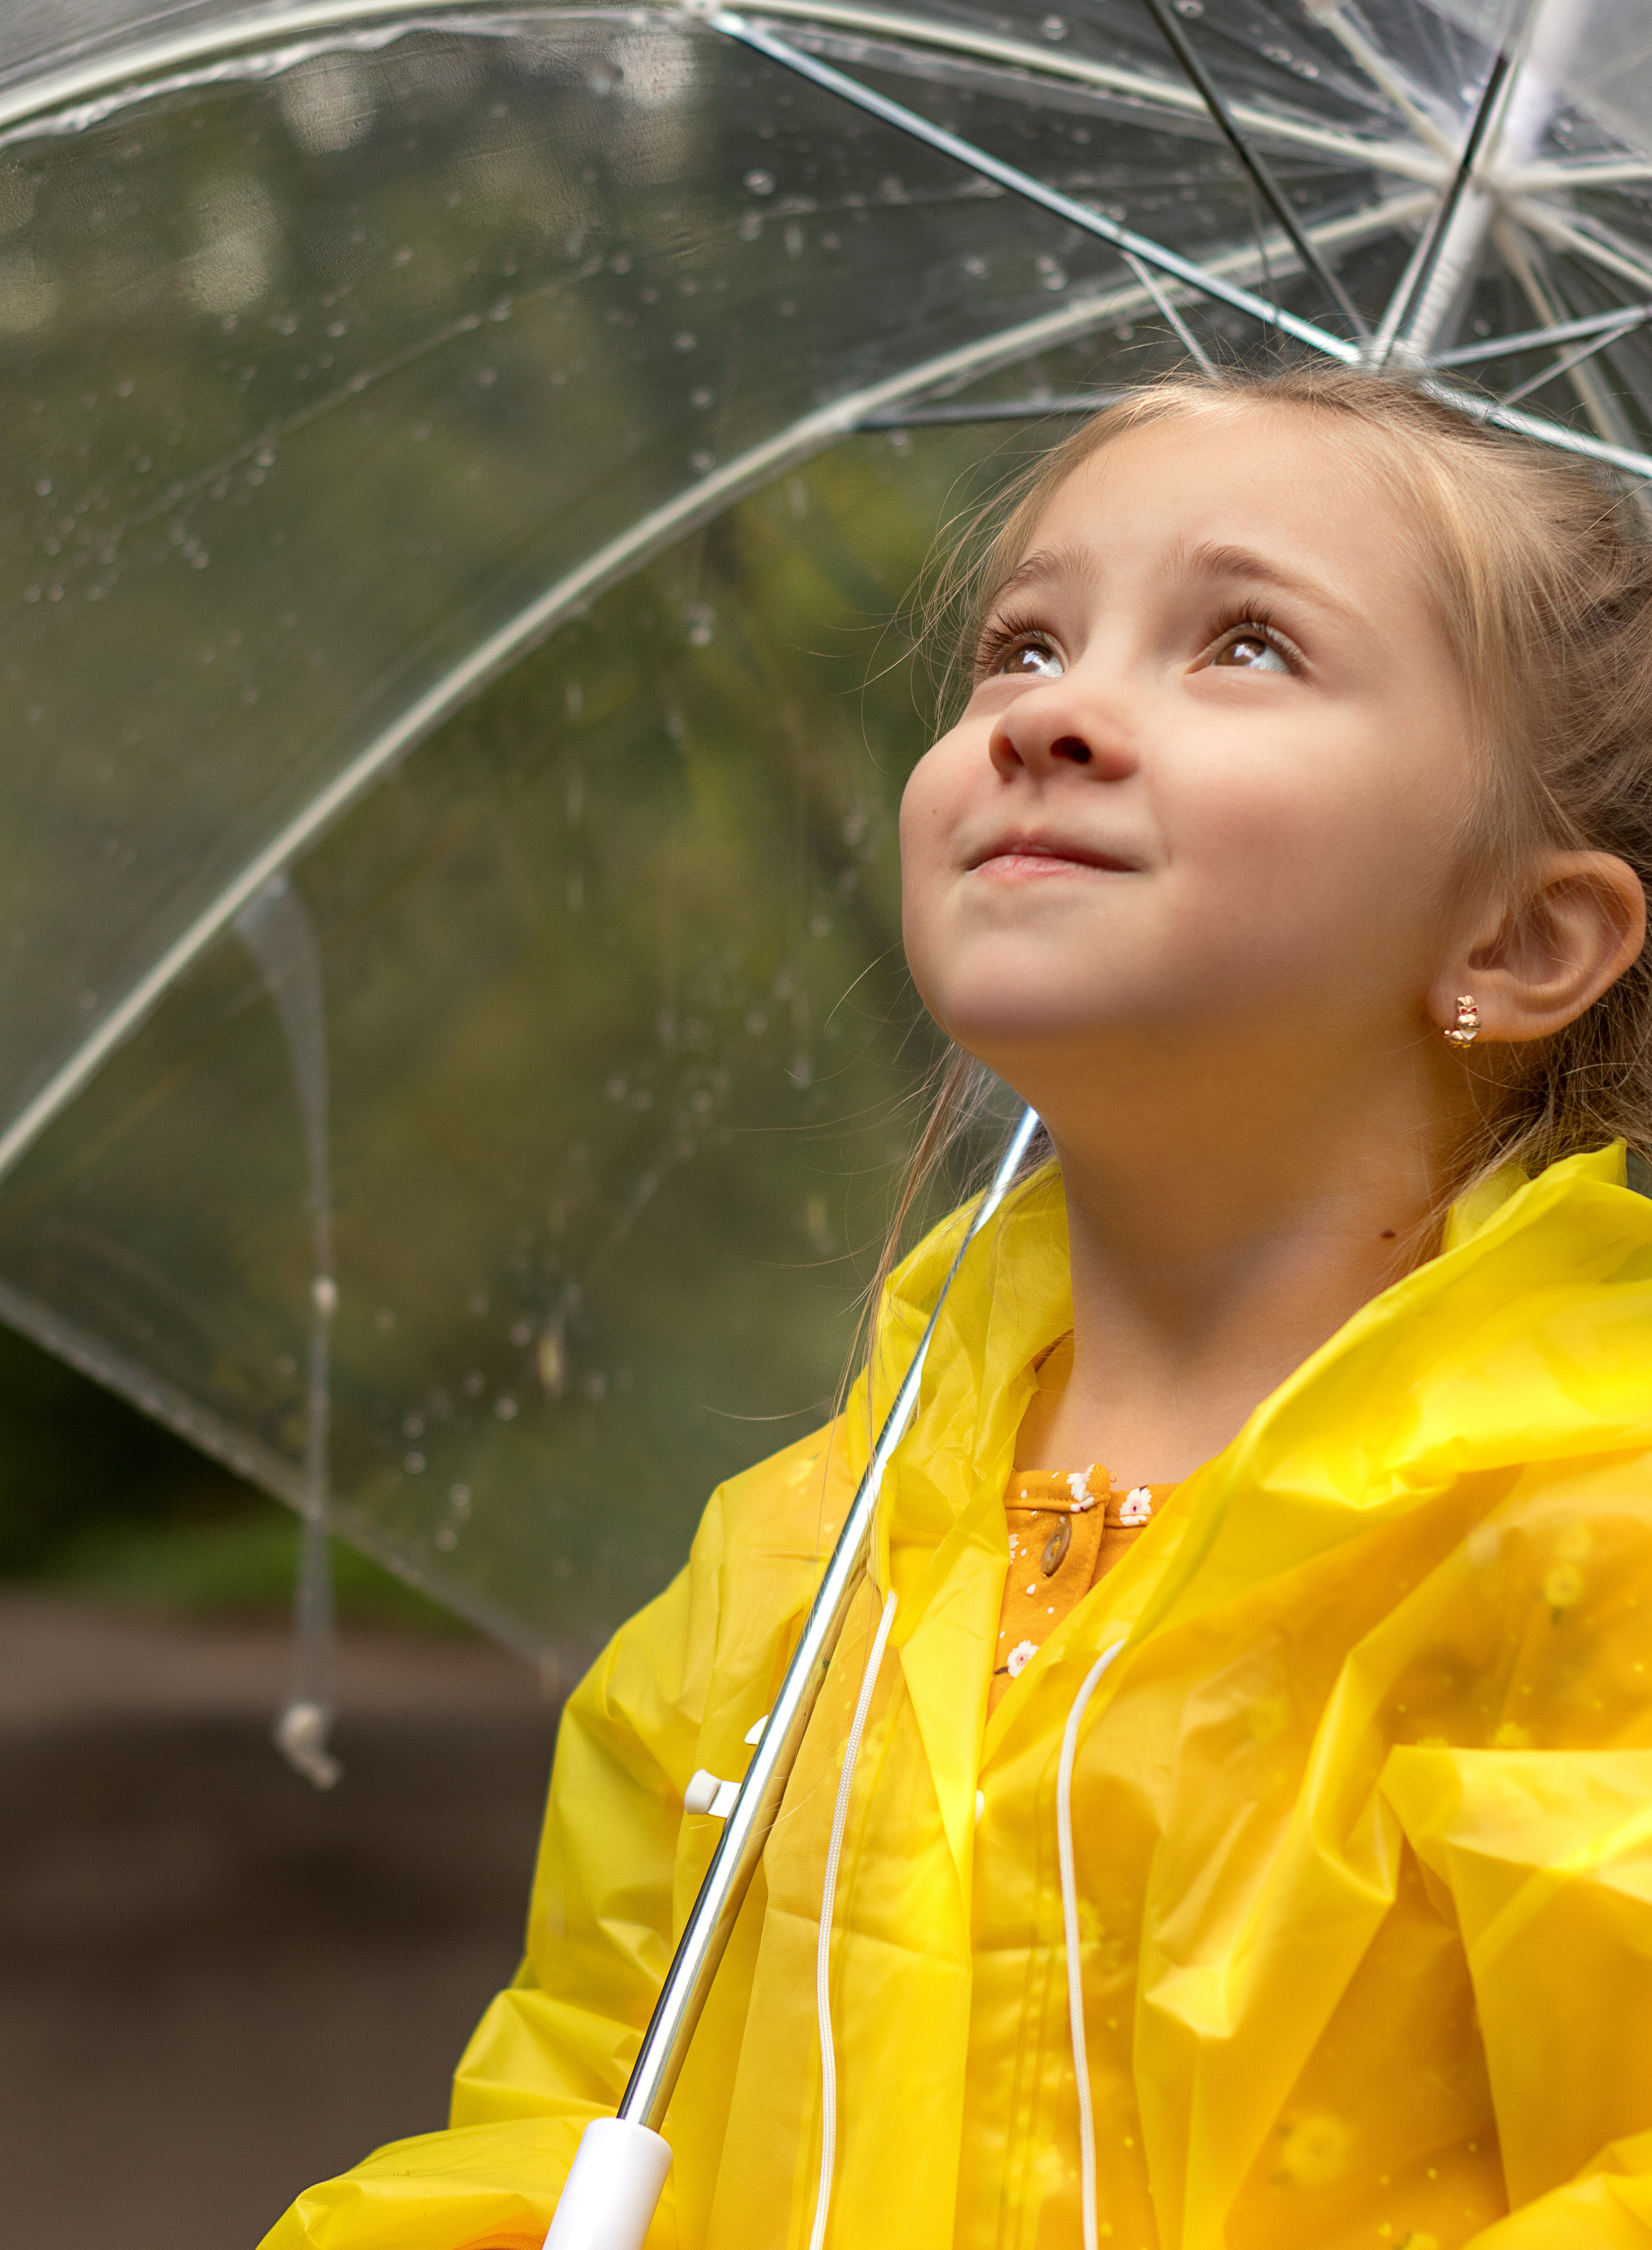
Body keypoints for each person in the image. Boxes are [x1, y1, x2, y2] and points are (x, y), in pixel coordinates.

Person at [264, 367, 1652, 2250]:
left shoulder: (1592, 1551)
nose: (1056, 715)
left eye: (1244, 645)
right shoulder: (797, 1566)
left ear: (1520, 938)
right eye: (1020, 645)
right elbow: (573, 2098)